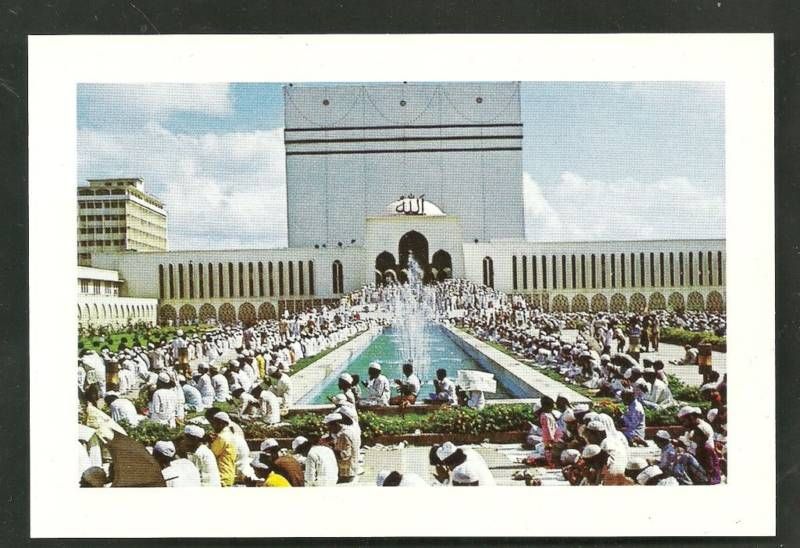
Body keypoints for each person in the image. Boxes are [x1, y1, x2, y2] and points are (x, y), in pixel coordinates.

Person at [321, 412, 358, 484]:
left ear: (336, 425)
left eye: (329, 426)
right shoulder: (347, 432)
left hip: (346, 473)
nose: (328, 429)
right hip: (348, 471)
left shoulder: (343, 435)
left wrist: (329, 448)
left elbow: (344, 455)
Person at [208, 411, 238, 487]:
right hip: (228, 474)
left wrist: (208, 442)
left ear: (221, 423)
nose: (213, 426)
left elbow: (211, 455)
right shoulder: (228, 434)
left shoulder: (222, 437)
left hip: (222, 476)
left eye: (214, 423)